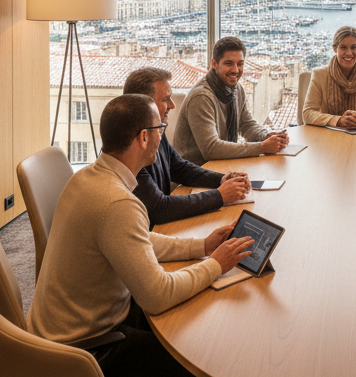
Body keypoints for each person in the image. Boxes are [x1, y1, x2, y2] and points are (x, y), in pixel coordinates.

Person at [27, 94, 255, 377]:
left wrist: (203, 245)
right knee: (202, 356)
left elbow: (136, 238)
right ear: (144, 138)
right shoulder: (118, 203)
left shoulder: (86, 177)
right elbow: (158, 296)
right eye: (160, 128)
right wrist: (217, 264)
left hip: (58, 333)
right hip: (86, 351)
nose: (164, 135)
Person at [123, 67, 250, 227]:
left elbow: (179, 167)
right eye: (165, 99)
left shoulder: (155, 129)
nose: (172, 105)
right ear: (143, 103)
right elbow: (159, 209)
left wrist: (220, 179)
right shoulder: (128, 147)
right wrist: (219, 196)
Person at [175, 36, 289, 166]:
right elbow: (211, 149)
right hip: (194, 175)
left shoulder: (236, 88)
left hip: (221, 166)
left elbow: (246, 124)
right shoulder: (201, 97)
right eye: (229, 63)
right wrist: (262, 147)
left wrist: (267, 136)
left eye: (240, 64)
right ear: (214, 64)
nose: (235, 70)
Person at [302, 26, 356, 127]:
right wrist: (338, 120)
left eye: (353, 47)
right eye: (343, 47)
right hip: (327, 136)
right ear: (335, 48)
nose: (349, 53)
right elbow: (308, 113)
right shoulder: (319, 75)